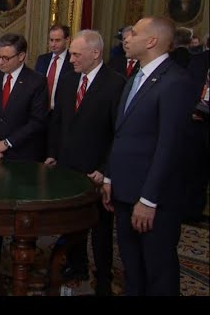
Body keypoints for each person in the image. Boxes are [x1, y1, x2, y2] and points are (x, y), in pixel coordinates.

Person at [103, 16, 197, 296]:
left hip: (152, 199)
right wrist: (110, 176)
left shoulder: (176, 82)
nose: (126, 37)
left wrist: (148, 199)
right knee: (132, 268)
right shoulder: (136, 76)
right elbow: (121, 134)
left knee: (158, 271)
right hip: (124, 191)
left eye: (133, 33)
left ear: (152, 40)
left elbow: (169, 146)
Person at [45, 30, 126, 296]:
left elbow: (119, 133)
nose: (71, 60)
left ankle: (103, 277)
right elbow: (57, 122)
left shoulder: (116, 84)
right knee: (72, 221)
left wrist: (105, 170)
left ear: (95, 53)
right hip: (68, 167)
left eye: (77, 55)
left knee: (100, 229)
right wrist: (53, 153)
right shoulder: (68, 81)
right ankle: (76, 265)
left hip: (96, 172)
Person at [0, 33, 48, 273]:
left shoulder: (36, 81)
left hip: (22, 158)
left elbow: (38, 122)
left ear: (22, 56)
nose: (1, 62)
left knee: (21, 213)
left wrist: (6, 143)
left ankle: (22, 261)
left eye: (6, 58)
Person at [34, 24, 74, 110]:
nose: (53, 44)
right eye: (51, 40)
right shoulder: (42, 59)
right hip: (41, 111)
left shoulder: (73, 61)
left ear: (67, 40)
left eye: (57, 40)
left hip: (61, 112)